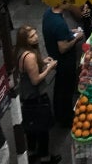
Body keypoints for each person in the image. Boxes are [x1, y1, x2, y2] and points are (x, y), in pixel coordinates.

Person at [16, 26, 61, 164]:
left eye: (35, 34)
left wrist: (42, 62)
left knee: (32, 129)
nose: (36, 37)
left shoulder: (22, 52)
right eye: (31, 36)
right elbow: (35, 80)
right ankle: (44, 158)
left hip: (27, 96)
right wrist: (50, 67)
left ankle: (33, 154)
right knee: (42, 129)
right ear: (25, 40)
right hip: (35, 97)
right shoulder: (29, 57)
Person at [42, 0, 85, 128]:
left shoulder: (48, 14)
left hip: (55, 57)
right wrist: (77, 38)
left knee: (59, 87)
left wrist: (69, 32)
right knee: (66, 90)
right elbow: (63, 47)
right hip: (65, 61)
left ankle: (58, 114)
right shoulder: (59, 23)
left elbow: (58, 34)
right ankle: (66, 119)